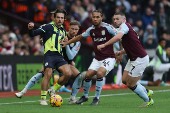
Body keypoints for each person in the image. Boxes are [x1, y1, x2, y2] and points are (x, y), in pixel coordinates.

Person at [60, 10, 118, 105]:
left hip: (109, 58)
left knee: (99, 73)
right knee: (87, 75)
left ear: (101, 18)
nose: (95, 19)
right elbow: (79, 37)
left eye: (97, 17)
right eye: (93, 17)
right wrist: (67, 42)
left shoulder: (108, 27)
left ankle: (96, 98)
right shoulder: (90, 30)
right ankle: (85, 96)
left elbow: (119, 36)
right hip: (97, 59)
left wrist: (121, 51)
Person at [97, 12, 154, 107]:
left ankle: (148, 100)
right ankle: (147, 92)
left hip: (140, 59)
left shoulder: (124, 26)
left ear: (124, 20)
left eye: (117, 19)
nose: (115, 21)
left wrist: (104, 44)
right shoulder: (125, 29)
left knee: (131, 84)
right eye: (114, 19)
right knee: (124, 80)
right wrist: (120, 52)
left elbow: (118, 37)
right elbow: (131, 47)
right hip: (133, 58)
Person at [28, 9, 72, 105]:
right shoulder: (47, 27)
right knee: (48, 73)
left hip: (59, 56)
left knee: (68, 73)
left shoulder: (64, 31)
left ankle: (53, 90)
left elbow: (63, 46)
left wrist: (65, 42)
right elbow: (33, 34)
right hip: (49, 54)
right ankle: (43, 99)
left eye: (62, 18)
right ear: (54, 18)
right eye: (58, 17)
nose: (60, 19)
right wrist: (30, 29)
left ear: (64, 19)